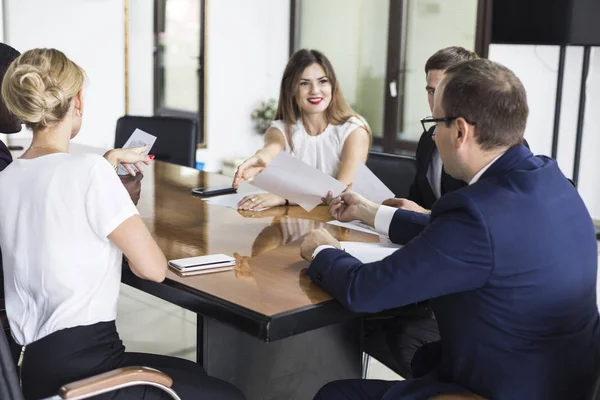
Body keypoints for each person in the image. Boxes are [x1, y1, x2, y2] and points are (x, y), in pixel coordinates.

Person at [301, 59, 599, 399]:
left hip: (499, 387)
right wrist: (374, 213)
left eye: (434, 123)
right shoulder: (554, 181)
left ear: (460, 131)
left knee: (336, 394)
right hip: (567, 381)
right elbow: (471, 242)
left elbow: (365, 290)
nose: (432, 134)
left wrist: (322, 250)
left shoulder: (476, 215)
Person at [0, 48, 245, 400]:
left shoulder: (7, 178)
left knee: (192, 372)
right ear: (78, 101)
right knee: (227, 396)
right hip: (88, 376)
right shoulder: (89, 172)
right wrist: (110, 185)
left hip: (36, 371)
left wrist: (106, 171)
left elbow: (54, 210)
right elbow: (153, 269)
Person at [363, 47, 480, 379]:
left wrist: (422, 213)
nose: (434, 99)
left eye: (442, 88)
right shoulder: (429, 139)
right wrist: (396, 208)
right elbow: (416, 200)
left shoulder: (488, 149)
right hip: (422, 255)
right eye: (430, 90)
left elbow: (474, 226)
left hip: (459, 280)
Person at [233, 49, 371, 211]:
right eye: (304, 83)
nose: (315, 90)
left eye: (322, 81)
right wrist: (261, 158)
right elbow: (272, 148)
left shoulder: (354, 131)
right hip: (293, 222)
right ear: (291, 89)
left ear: (333, 85)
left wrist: (283, 197)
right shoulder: (281, 129)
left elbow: (340, 192)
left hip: (337, 224)